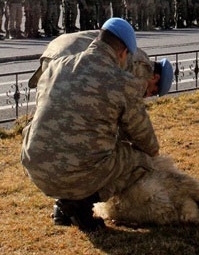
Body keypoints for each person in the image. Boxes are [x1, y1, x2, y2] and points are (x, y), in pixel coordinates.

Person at [21, 17, 161, 232]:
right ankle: (80, 205)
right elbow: (147, 143)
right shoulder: (123, 83)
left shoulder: (57, 66)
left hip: (36, 168)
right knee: (142, 161)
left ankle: (64, 205)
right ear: (123, 53)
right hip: (76, 174)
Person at [27, 29, 173, 98]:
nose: (147, 96)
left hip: (56, 49)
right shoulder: (141, 70)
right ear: (155, 78)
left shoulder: (139, 56)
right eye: (153, 91)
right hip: (68, 56)